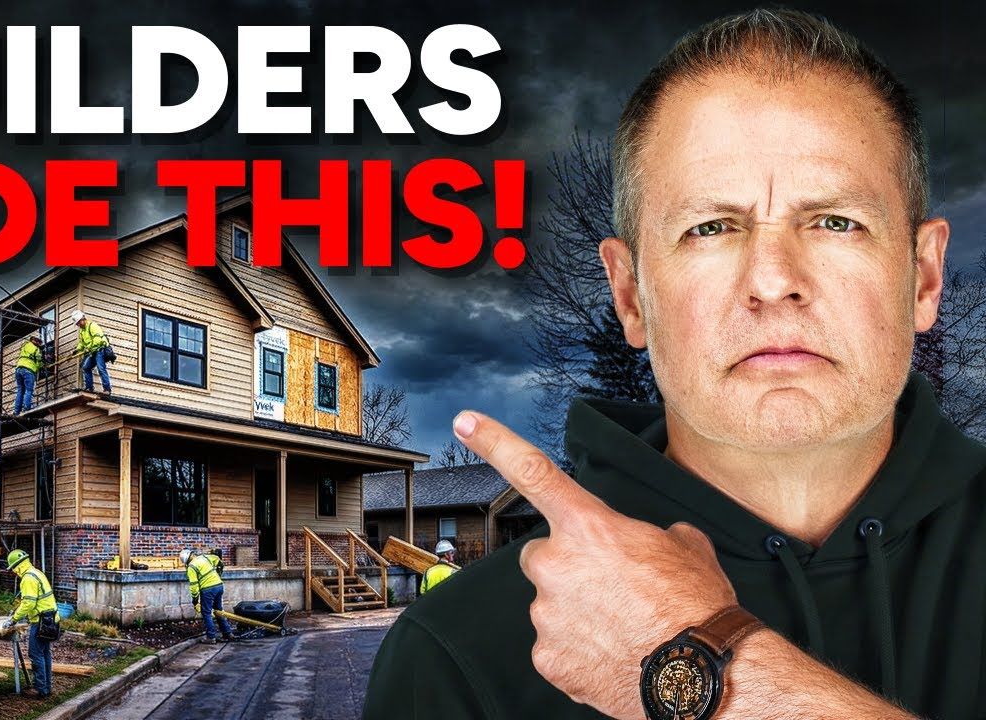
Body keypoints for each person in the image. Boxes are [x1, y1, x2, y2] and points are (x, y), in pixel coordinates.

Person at [365, 9, 985, 720]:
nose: (773, 278)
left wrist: (699, 662)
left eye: (835, 221)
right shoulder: (459, 656)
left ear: (924, 277)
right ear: (630, 296)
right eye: (711, 228)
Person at [2, 549, 56, 699]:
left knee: (35, 654)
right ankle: (46, 687)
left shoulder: (27, 578)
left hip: (40, 622)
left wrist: (13, 619)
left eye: (13, 569)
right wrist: (17, 612)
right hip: (50, 620)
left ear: (17, 566)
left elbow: (29, 604)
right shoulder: (36, 572)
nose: (13, 572)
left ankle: (40, 690)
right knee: (45, 654)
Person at [180, 548, 234, 643]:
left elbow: (194, 586)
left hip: (208, 589)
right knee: (219, 611)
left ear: (186, 560)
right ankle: (227, 633)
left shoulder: (191, 567)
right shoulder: (204, 557)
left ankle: (211, 637)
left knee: (206, 612)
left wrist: (195, 600)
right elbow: (218, 559)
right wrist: (218, 573)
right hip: (219, 585)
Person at [72, 310, 111, 395]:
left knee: (101, 368)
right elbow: (82, 343)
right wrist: (77, 349)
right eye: (77, 324)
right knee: (86, 367)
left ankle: (107, 389)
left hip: (99, 349)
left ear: (83, 319)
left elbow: (97, 339)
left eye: (78, 323)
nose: (78, 325)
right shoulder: (82, 331)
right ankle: (89, 387)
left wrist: (88, 348)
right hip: (92, 351)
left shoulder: (92, 326)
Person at [14, 334, 44, 414]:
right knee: (29, 390)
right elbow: (39, 361)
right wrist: (42, 365)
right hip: (28, 370)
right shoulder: (36, 349)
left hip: (18, 369)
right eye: (38, 342)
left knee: (20, 390)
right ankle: (26, 408)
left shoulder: (25, 346)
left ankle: (16, 411)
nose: (39, 343)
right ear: (35, 341)